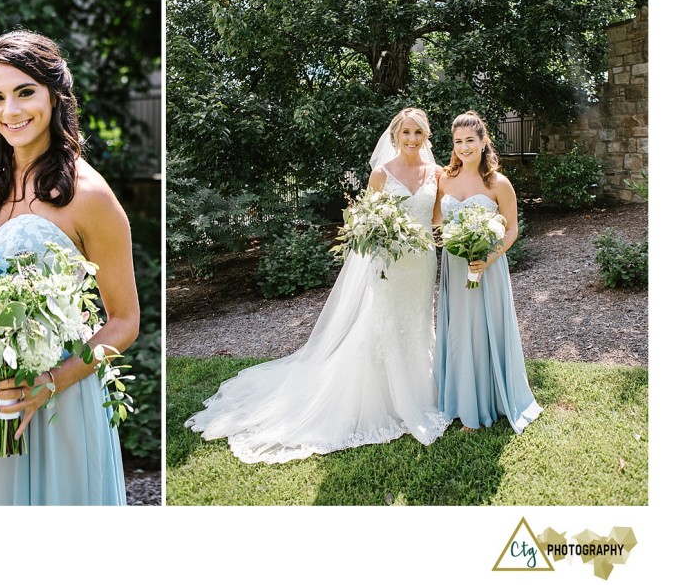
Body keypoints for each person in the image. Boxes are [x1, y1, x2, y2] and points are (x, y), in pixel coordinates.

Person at [185, 108, 450, 463]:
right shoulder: (381, 174)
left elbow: (436, 216)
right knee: (384, 322)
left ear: (427, 136)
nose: (413, 139)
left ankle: (419, 388)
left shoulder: (437, 173)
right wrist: (385, 234)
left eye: (418, 133)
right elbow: (367, 222)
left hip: (422, 262)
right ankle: (385, 397)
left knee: (418, 322)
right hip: (390, 265)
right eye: (406, 133)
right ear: (395, 137)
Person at [0, 30, 139, 505]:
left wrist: (49, 383)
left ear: (55, 95)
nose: (10, 111)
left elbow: (125, 321)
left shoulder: (90, 197)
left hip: (57, 399)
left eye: (25, 92)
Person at [433, 110, 542, 433]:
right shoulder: (445, 179)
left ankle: (485, 405)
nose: (464, 147)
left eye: (470, 140)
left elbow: (511, 230)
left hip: (487, 267)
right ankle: (458, 400)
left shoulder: (499, 183)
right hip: (455, 265)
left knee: (483, 331)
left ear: (483, 142)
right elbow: (437, 222)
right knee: (459, 331)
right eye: (457, 142)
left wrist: (489, 258)